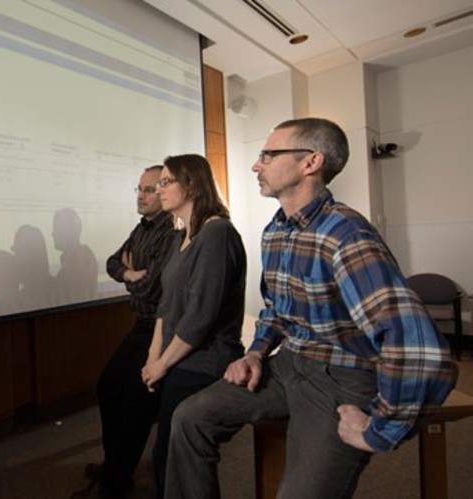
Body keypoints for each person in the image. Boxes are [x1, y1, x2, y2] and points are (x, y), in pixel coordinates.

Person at [165, 118, 459, 499]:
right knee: (188, 418)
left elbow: (417, 346)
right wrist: (256, 352)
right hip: (290, 363)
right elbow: (276, 309)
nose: (256, 165)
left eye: (268, 155)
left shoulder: (346, 235)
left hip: (342, 376)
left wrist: (380, 430)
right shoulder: (276, 231)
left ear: (310, 162)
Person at [142, 154, 247, 498]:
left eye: (165, 182)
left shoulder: (217, 233)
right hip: (177, 358)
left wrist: (162, 364)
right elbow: (167, 304)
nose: (158, 190)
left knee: (173, 457)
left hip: (205, 361)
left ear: (191, 184)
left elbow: (200, 316)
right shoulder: (180, 237)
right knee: (164, 455)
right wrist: (153, 356)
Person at [83, 165, 176, 497]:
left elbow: (153, 288)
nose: (141, 195)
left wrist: (137, 279)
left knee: (136, 402)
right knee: (108, 387)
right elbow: (112, 263)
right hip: (141, 324)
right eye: (139, 188)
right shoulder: (141, 229)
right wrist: (130, 274)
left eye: (149, 189)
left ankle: (117, 479)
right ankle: (114, 465)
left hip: (162, 328)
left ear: (164, 193)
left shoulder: (172, 231)